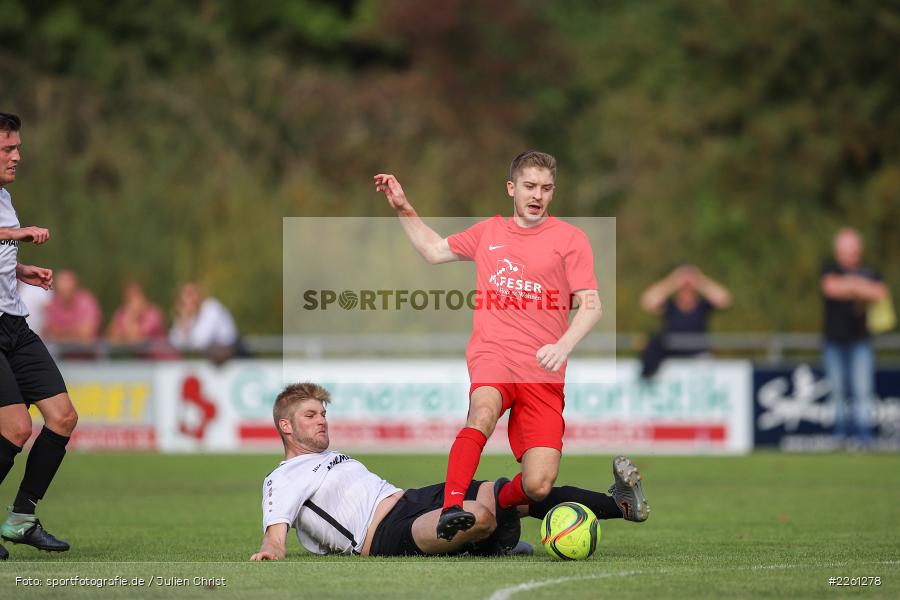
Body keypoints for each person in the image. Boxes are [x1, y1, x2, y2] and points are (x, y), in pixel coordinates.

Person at [375, 150, 647, 544]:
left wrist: (563, 344)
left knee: (538, 484)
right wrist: (404, 209)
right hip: (493, 356)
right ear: (511, 188)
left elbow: (592, 305)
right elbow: (434, 251)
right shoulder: (489, 232)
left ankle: (499, 503)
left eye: (546, 188)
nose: (538, 195)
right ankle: (452, 507)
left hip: (543, 370)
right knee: (482, 413)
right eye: (530, 186)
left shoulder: (571, 239)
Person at [249, 382, 649, 559]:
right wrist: (273, 548)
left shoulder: (330, 456)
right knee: (478, 515)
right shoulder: (284, 476)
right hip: (382, 536)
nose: (322, 420)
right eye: (310, 415)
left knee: (527, 488)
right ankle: (495, 543)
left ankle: (619, 505)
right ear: (286, 426)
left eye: (323, 413)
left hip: (413, 498)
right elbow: (277, 524)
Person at [0, 112, 77, 560]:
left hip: (14, 322)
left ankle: (20, 518)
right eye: (8, 149)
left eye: (17, 147)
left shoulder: (5, 196)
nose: (17, 155)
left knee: (63, 418)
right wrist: (17, 234)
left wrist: (19, 268)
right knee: (14, 428)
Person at [820, 228, 888, 449]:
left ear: (859, 250)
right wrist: (860, 287)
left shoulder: (871, 270)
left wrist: (848, 286)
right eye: (845, 250)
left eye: (853, 250)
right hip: (834, 341)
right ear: (837, 251)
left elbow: (880, 292)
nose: (849, 255)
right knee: (838, 391)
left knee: (862, 391)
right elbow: (831, 288)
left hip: (861, 341)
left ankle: (864, 437)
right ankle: (840, 437)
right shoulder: (829, 268)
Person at [638, 264, 732, 377]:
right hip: (672, 353)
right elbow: (648, 301)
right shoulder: (670, 306)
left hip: (698, 355)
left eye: (689, 288)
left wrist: (700, 281)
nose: (686, 291)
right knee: (654, 341)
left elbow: (724, 300)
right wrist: (672, 281)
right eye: (683, 288)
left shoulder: (702, 306)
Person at [169, 282, 238, 362]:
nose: (189, 300)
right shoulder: (187, 316)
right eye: (185, 296)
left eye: (191, 294)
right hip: (209, 357)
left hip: (229, 353)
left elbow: (202, 341)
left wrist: (186, 334)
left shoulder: (211, 307)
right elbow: (174, 342)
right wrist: (184, 324)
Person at [106, 280, 172, 358]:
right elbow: (110, 338)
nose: (132, 303)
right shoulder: (122, 312)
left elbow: (136, 340)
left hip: (163, 363)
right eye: (129, 299)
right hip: (142, 364)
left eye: (135, 296)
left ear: (143, 297)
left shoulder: (153, 315)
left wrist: (130, 319)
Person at [42, 269, 102, 349]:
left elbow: (87, 334)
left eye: (68, 283)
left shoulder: (87, 301)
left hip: (89, 355)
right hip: (62, 356)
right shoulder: (53, 303)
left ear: (75, 285)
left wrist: (61, 333)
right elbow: (48, 332)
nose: (65, 287)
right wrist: (76, 331)